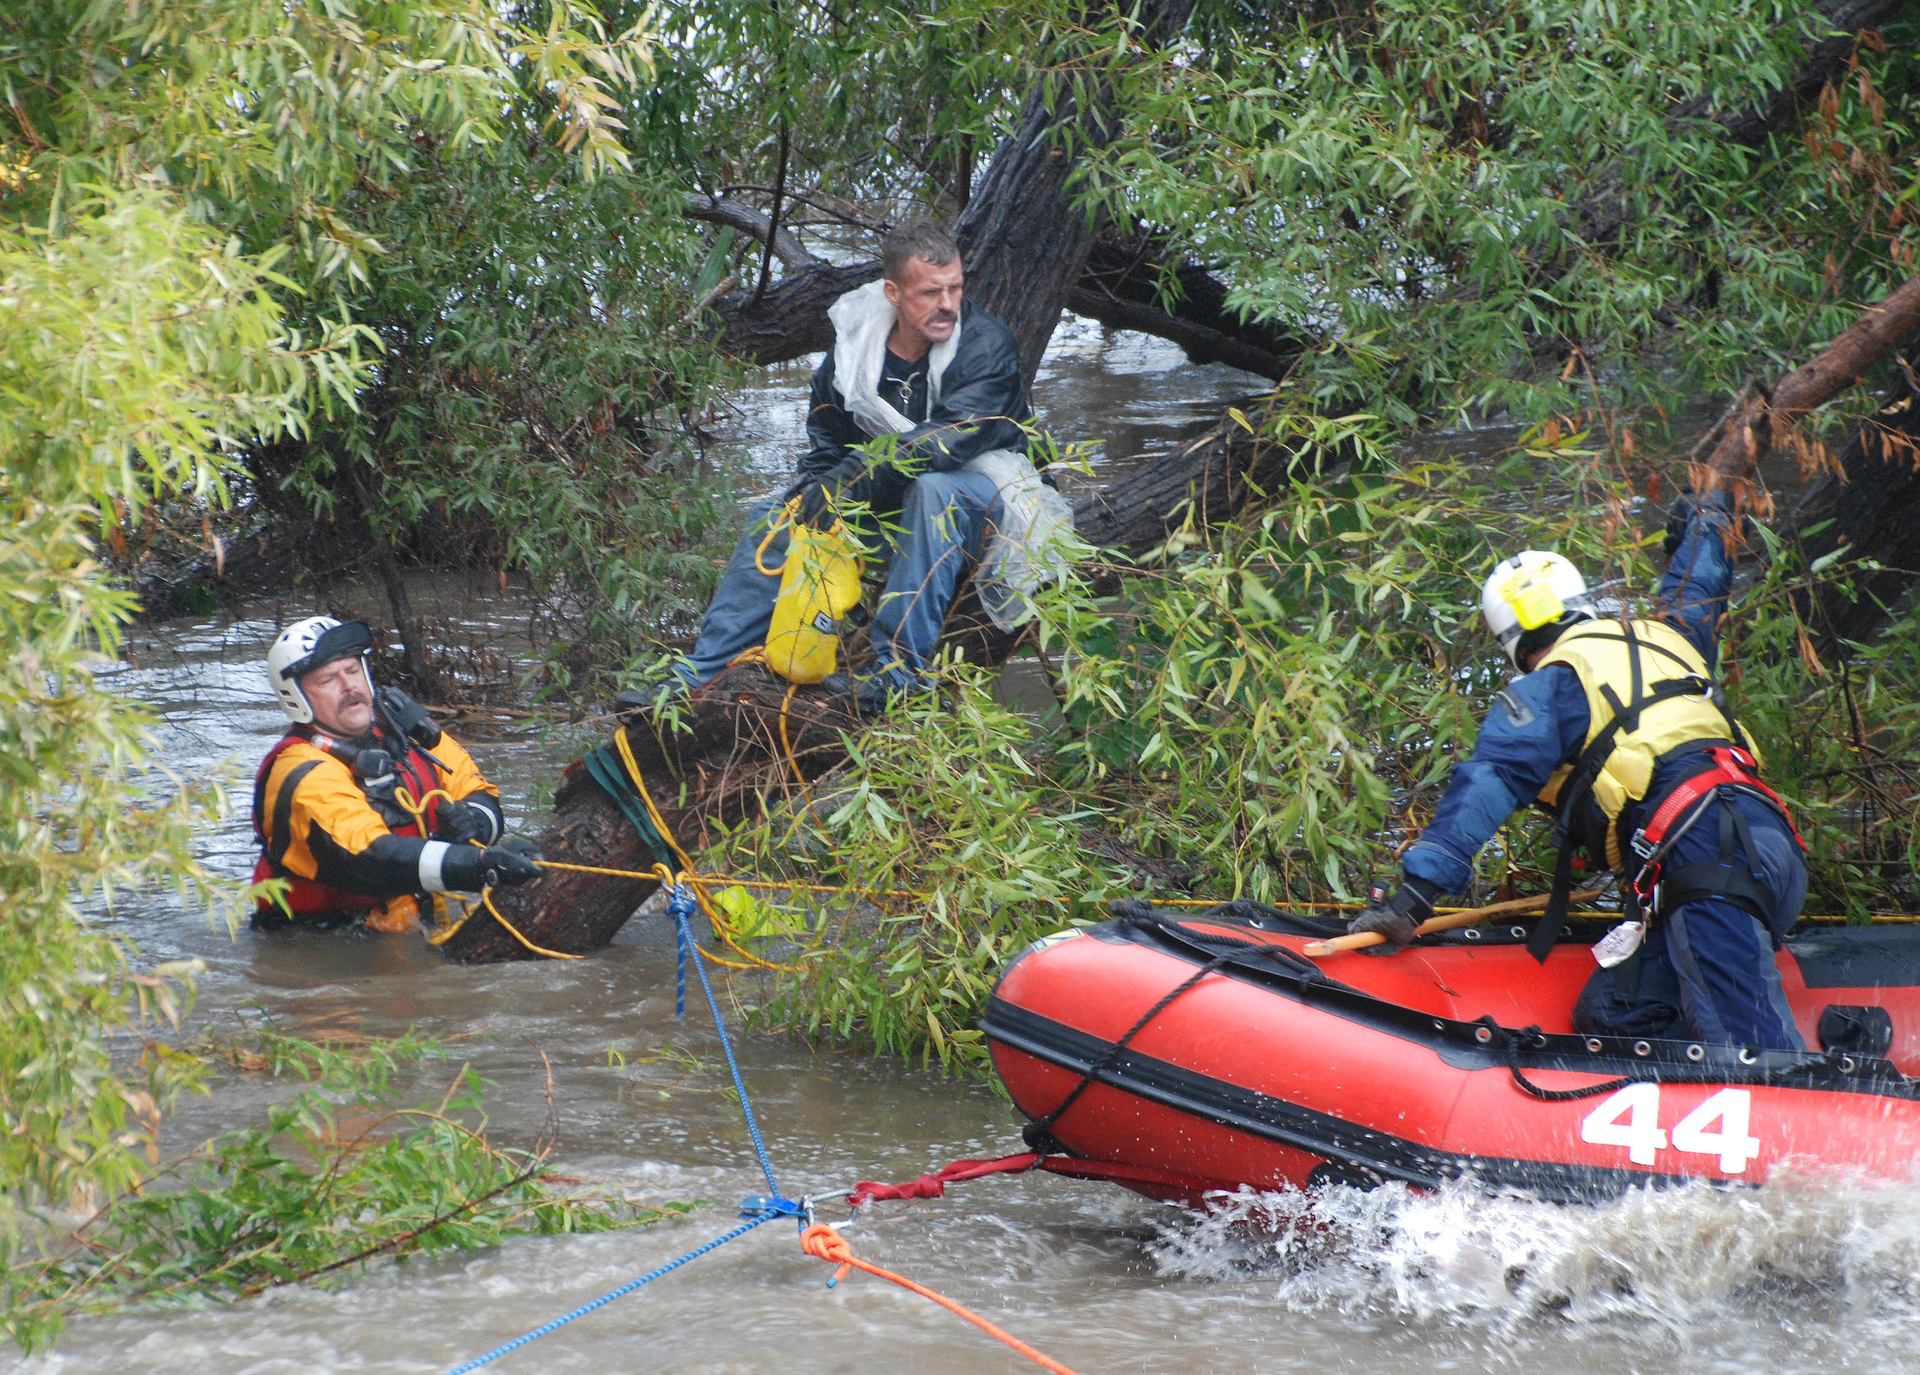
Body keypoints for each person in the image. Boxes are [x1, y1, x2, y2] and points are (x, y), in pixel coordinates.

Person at [1348, 490, 1809, 1050]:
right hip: (1770, 851)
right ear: (1583, 602)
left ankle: (1811, 1117)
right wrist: (1706, 515)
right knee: (1614, 1014)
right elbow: (1698, 586)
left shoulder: (1555, 684)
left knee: (1755, 1058)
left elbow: (1491, 779)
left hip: (1707, 863)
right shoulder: (1671, 638)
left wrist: (1414, 898)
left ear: (1516, 646)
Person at [663, 220, 1039, 710]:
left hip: (989, 504)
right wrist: (814, 496)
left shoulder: (986, 343)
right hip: (892, 497)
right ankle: (700, 675)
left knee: (933, 490)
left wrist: (853, 479)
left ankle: (898, 672)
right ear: (893, 293)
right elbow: (827, 443)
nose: (949, 305)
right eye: (931, 292)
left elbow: (950, 441)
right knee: (775, 518)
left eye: (956, 288)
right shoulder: (854, 348)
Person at [251, 616, 542, 932]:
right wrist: (477, 866)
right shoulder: (299, 772)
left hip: (410, 923)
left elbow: (478, 789)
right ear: (296, 697)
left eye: (352, 670)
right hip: (326, 944)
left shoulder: (408, 733)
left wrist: (476, 823)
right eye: (327, 680)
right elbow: (370, 857)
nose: (349, 686)